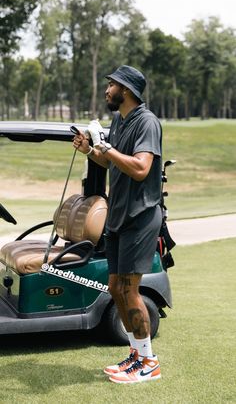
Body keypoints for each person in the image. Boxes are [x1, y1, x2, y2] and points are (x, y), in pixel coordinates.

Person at [73, 65, 163, 384]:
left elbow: (140, 168)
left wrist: (108, 148)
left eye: (111, 85)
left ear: (125, 90)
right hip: (119, 215)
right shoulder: (119, 119)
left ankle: (149, 363)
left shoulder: (147, 122)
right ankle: (137, 355)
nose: (107, 90)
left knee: (128, 288)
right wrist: (90, 151)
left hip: (140, 217)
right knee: (115, 288)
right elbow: (111, 160)